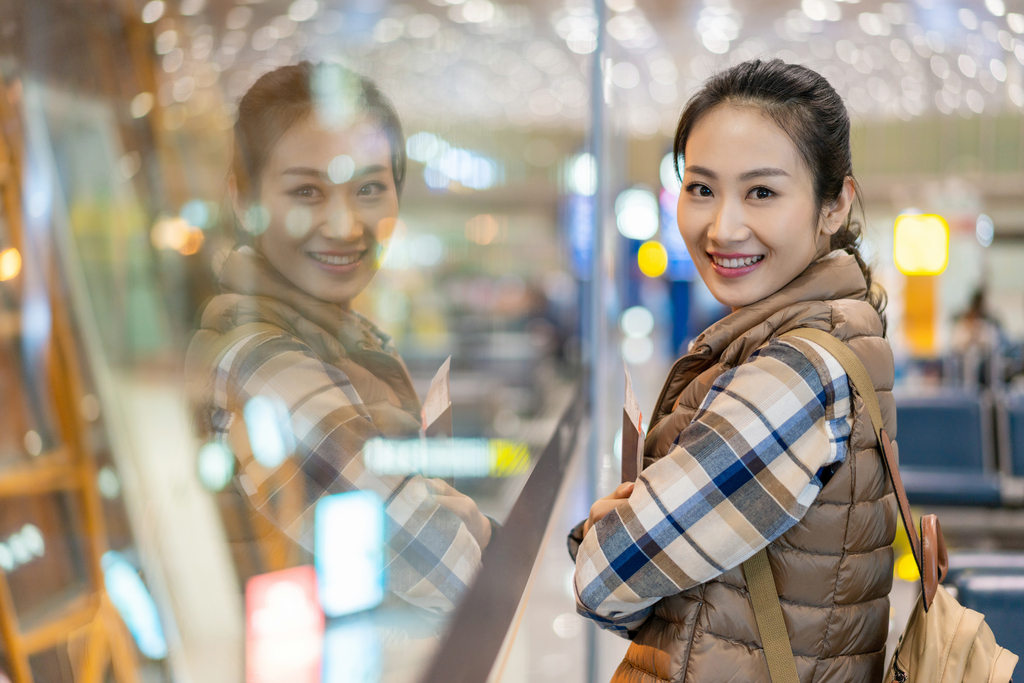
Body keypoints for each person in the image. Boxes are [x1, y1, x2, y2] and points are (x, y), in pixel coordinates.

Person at [570, 59, 897, 681]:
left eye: (762, 192)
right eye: (700, 189)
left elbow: (605, 576)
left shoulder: (797, 371)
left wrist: (600, 532)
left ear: (835, 204)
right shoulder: (820, 332)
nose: (722, 227)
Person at [187, 62, 491, 613]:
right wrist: (466, 525)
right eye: (307, 190)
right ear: (242, 199)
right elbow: (447, 568)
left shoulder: (340, 336)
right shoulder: (262, 360)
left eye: (369, 188)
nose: (345, 225)